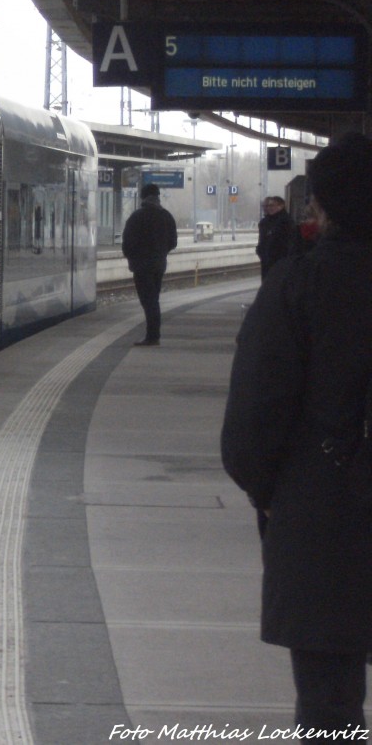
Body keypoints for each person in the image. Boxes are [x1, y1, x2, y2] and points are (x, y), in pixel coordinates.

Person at [220, 131, 372, 735]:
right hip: (321, 508)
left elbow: (256, 418)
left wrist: (273, 495)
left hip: (324, 516)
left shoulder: (297, 284)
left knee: (330, 704)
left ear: (326, 206)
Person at [121, 182, 178, 346]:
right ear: (158, 196)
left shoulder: (136, 217)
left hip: (141, 266)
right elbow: (173, 242)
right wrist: (161, 252)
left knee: (149, 301)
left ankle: (153, 336)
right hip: (159, 265)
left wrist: (132, 257)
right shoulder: (166, 216)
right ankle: (153, 335)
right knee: (154, 299)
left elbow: (127, 243)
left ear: (143, 197)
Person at [256, 195, 295, 277]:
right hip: (267, 260)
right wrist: (260, 251)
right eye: (267, 206)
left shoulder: (286, 222)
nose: (269, 208)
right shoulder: (266, 222)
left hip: (279, 261)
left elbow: (288, 242)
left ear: (281, 206)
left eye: (272, 205)